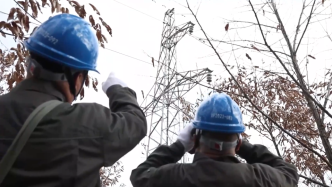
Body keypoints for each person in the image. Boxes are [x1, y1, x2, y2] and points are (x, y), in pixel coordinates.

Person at [0, 14, 147, 187]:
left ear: (30, 62)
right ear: (77, 79)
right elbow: (135, 123)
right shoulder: (82, 123)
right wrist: (118, 91)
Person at [130, 93, 299, 187]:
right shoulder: (260, 178)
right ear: (238, 143)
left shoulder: (175, 177)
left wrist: (179, 146)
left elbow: (140, 175)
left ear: (194, 140)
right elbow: (289, 173)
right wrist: (245, 146)